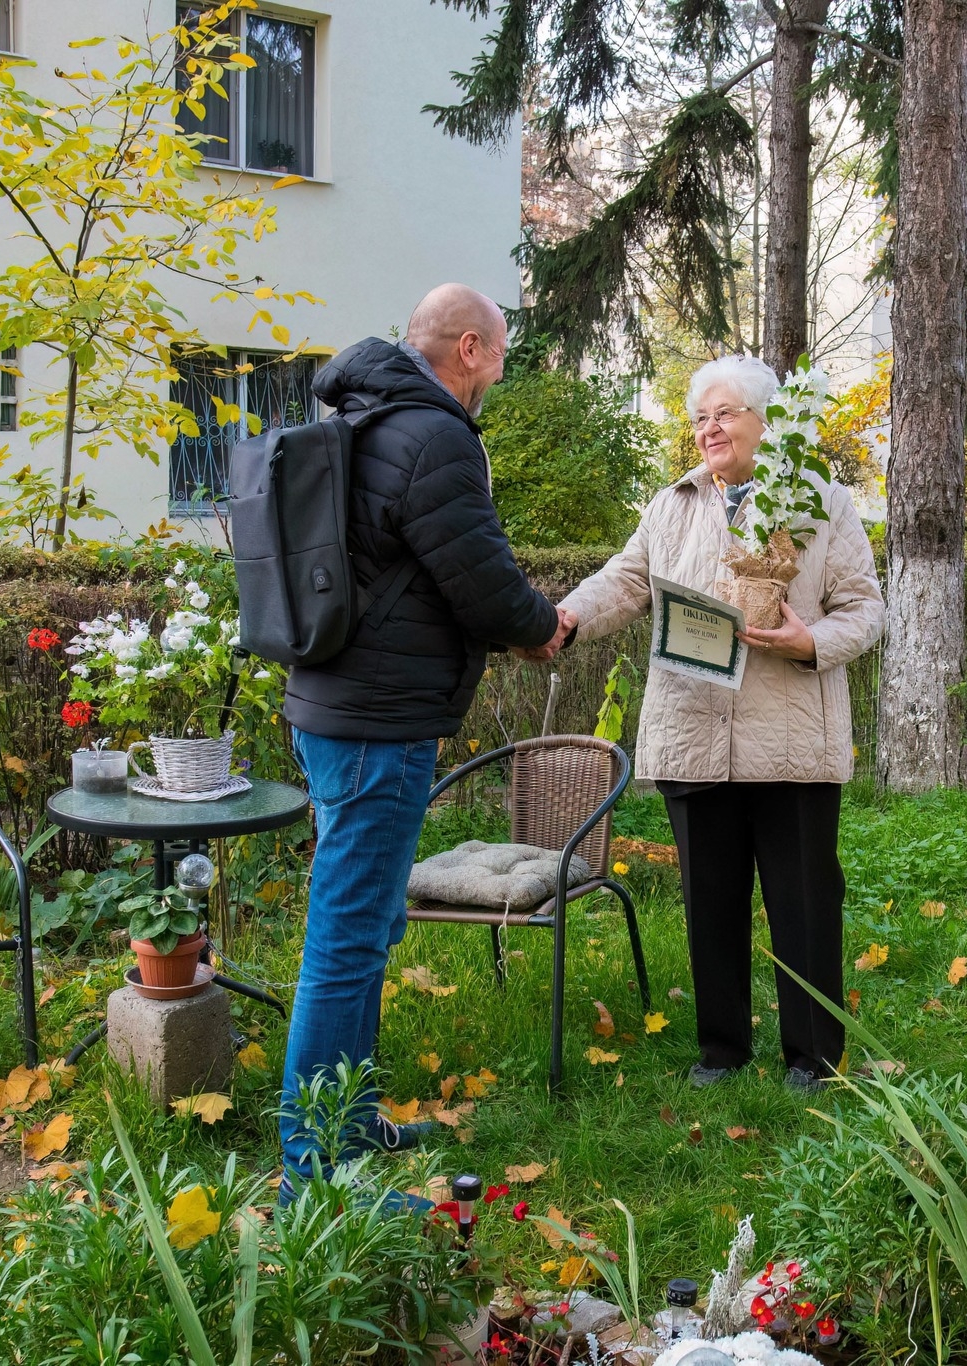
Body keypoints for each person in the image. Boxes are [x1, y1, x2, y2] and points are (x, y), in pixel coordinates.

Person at [279, 284, 567, 1183]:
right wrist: (539, 627)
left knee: (360, 924)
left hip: (328, 706)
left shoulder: (364, 418)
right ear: (471, 349)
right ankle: (314, 1169)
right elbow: (480, 577)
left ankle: (350, 1124)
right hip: (377, 725)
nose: (499, 375)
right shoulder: (433, 432)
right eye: (502, 355)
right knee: (348, 936)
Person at [558, 354, 885, 1093]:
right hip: (693, 733)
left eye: (726, 412)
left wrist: (811, 643)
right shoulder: (669, 505)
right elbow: (628, 579)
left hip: (791, 736)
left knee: (803, 902)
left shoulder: (823, 502)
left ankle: (812, 1057)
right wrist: (571, 614)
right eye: (700, 415)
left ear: (767, 422)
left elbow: (866, 608)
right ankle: (722, 1050)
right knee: (710, 900)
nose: (709, 428)